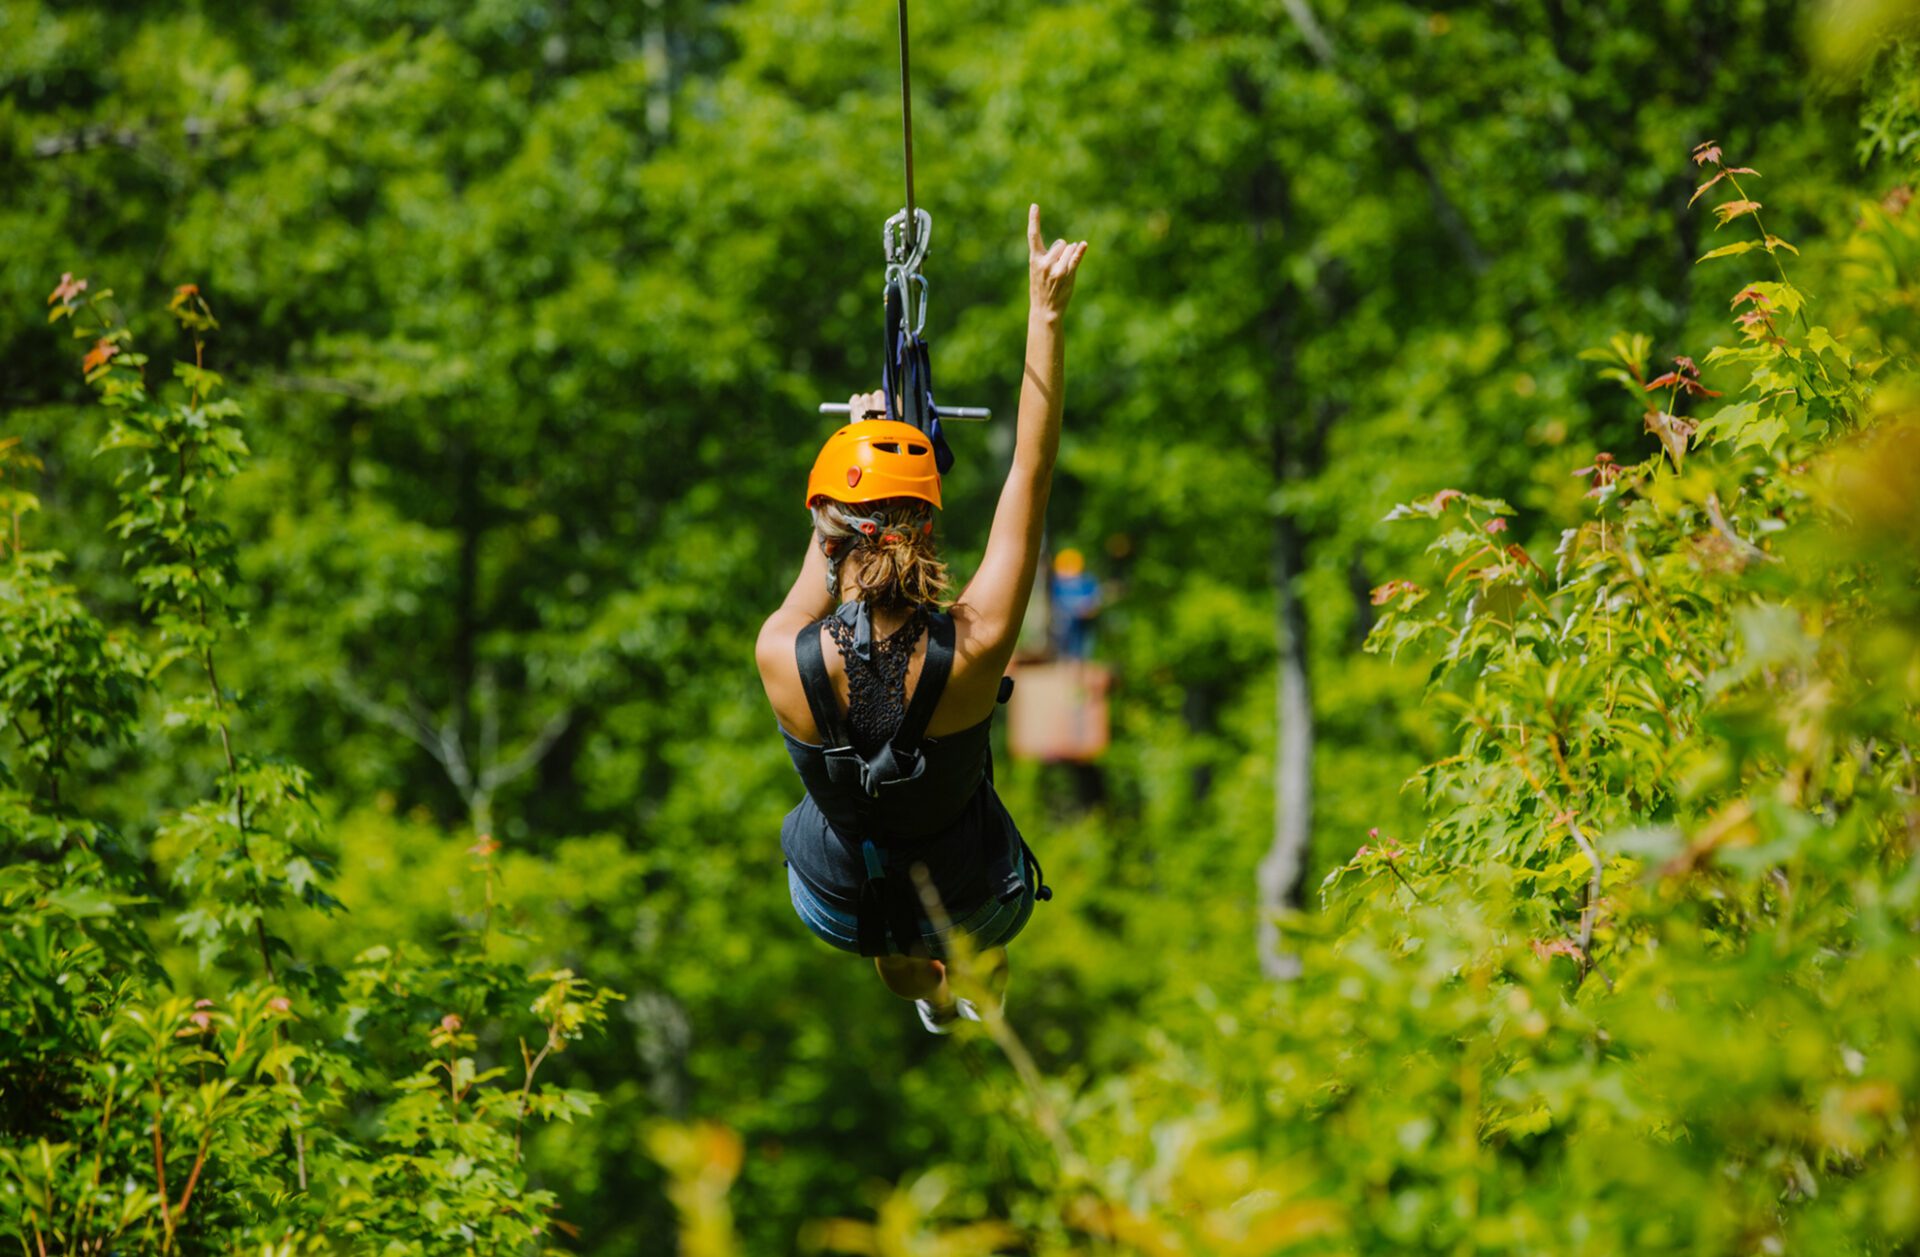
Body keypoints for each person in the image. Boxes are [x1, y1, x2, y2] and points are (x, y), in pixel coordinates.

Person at [756, 205, 1088, 1034]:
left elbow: (822, 557)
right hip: (975, 895)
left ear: (826, 526)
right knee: (965, 899)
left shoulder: (781, 655)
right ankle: (975, 976)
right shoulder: (974, 646)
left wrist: (857, 443)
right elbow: (1030, 473)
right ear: (925, 527)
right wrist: (1044, 316)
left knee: (869, 872)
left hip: (836, 902)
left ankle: (925, 986)